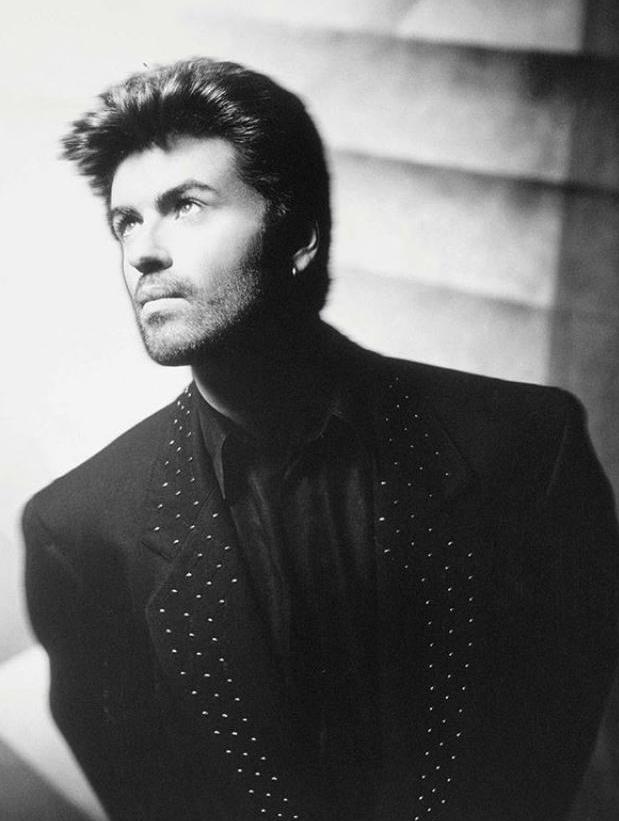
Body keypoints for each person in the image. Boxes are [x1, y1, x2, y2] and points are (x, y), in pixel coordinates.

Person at [22, 57, 619, 821]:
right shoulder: (77, 534)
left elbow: (549, 736)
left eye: (186, 205)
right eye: (126, 220)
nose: (142, 251)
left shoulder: (527, 447)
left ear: (299, 235)